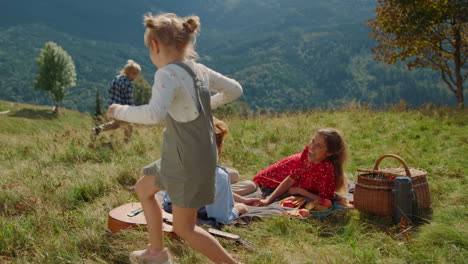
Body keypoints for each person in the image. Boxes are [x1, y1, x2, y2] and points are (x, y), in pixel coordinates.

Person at [106, 13, 243, 264]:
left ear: (155, 45)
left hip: (184, 161)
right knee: (143, 189)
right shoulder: (199, 70)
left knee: (185, 228)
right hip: (189, 155)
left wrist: (119, 111)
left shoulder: (167, 74)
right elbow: (235, 89)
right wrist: (207, 105)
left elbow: (153, 114)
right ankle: (156, 252)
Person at [162, 117, 260, 223]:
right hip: (200, 213)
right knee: (249, 184)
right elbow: (222, 218)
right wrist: (238, 209)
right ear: (218, 149)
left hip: (172, 208)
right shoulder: (219, 176)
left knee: (236, 177)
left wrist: (242, 200)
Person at [253, 128, 348, 206]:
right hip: (290, 165)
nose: (312, 147)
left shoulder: (326, 168)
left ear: (329, 153)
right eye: (313, 141)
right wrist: (268, 200)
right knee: (261, 180)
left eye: (319, 146)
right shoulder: (307, 154)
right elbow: (291, 179)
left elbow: (325, 200)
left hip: (299, 177)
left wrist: (301, 191)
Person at [93, 59, 141, 140]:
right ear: (131, 74)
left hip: (112, 107)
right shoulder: (128, 84)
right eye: (136, 74)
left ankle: (98, 129)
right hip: (122, 109)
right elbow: (129, 99)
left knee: (116, 124)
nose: (137, 76)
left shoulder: (116, 78)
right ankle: (127, 143)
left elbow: (110, 90)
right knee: (129, 125)